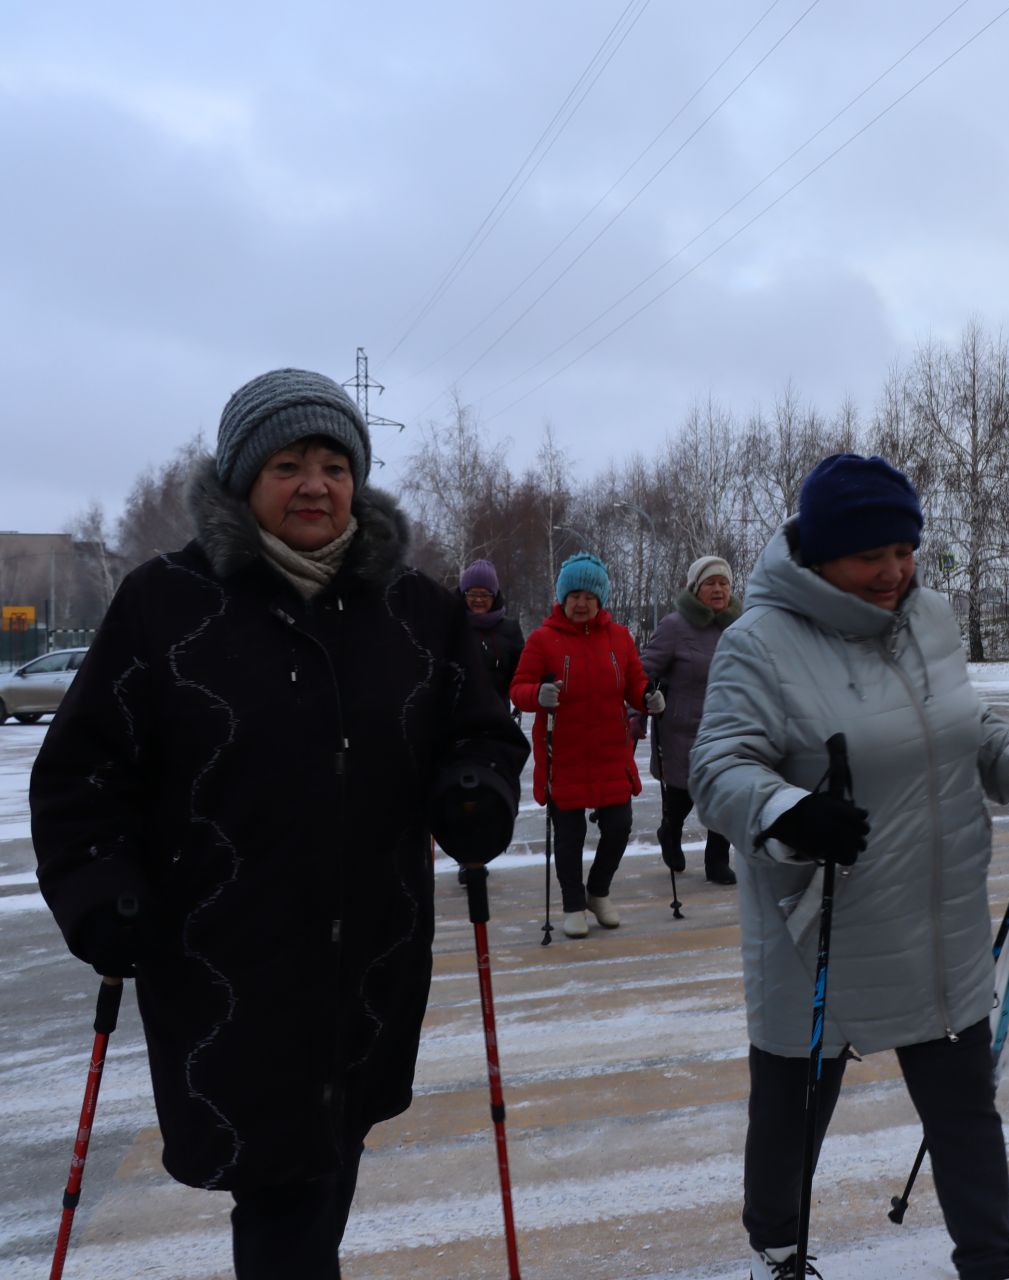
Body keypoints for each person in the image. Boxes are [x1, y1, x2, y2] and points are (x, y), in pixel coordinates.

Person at [31, 368, 528, 1279]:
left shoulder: (417, 611)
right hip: (225, 968)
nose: (314, 485)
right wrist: (99, 884)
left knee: (322, 1172)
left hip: (370, 963)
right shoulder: (164, 605)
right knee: (285, 1194)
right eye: (288, 463)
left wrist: (477, 787)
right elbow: (81, 774)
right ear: (240, 481)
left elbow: (482, 730)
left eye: (335, 463)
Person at [691, 453, 1009, 1280]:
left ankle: (990, 1264)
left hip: (936, 917)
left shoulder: (930, 617)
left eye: (904, 551)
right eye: (872, 555)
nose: (894, 572)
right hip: (818, 924)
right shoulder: (759, 641)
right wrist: (786, 811)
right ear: (823, 554)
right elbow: (719, 768)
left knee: (967, 1115)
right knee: (795, 1115)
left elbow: (962, 726)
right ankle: (777, 1244)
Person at [511, 552, 651, 940]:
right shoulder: (543, 639)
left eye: (589, 595)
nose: (581, 602)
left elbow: (636, 684)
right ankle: (573, 904)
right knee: (569, 836)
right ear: (562, 597)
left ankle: (598, 892)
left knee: (619, 827)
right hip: (565, 755)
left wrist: (648, 698)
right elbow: (518, 688)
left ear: (600, 599)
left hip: (610, 753)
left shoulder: (620, 638)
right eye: (573, 594)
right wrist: (538, 694)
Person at [642, 555, 743, 886]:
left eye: (723, 583)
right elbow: (643, 673)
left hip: (728, 728)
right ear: (695, 589)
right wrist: (640, 708)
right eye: (710, 583)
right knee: (682, 797)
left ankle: (717, 861)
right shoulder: (674, 626)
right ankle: (669, 833)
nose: (718, 589)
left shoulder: (741, 626)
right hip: (682, 731)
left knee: (725, 795)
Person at [460, 558, 524, 708]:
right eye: (472, 593)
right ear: (464, 594)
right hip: (456, 720)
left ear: (494, 596)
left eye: (484, 594)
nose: (478, 599)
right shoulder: (451, 624)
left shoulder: (510, 629)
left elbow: (522, 674)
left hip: (497, 717)